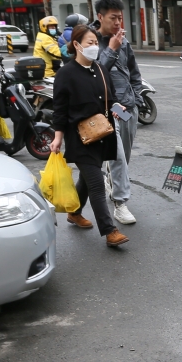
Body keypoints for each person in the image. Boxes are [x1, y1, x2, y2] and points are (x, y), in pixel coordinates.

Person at [49, 24, 127, 247]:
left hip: (101, 133)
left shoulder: (101, 69)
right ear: (76, 45)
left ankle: (74, 213)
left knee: (86, 178)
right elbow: (60, 109)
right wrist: (58, 137)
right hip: (80, 137)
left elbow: (109, 100)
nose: (94, 47)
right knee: (96, 182)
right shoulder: (65, 74)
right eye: (89, 43)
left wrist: (120, 110)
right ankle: (110, 231)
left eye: (95, 43)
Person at [94, 0, 145, 226]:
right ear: (100, 16)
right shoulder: (91, 43)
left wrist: (136, 97)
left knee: (124, 154)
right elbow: (94, 76)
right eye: (113, 18)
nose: (117, 23)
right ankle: (120, 202)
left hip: (127, 107)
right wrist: (111, 49)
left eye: (120, 18)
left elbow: (134, 73)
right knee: (118, 157)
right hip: (108, 108)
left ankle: (111, 181)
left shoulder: (124, 42)